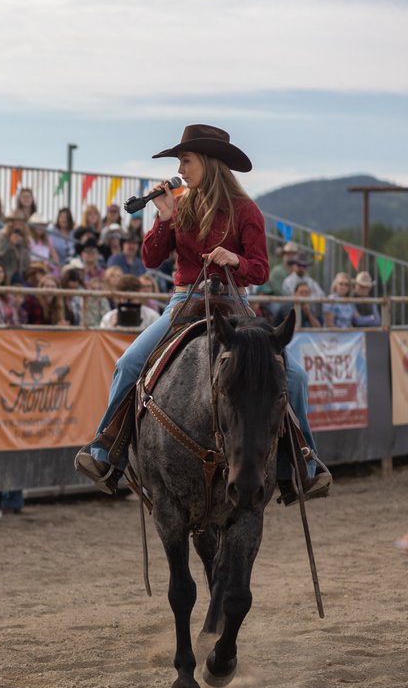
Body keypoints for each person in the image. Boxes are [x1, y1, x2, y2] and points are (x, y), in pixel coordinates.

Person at [74, 124, 331, 500]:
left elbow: (259, 268)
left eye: (186, 160)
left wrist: (234, 259)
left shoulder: (246, 210)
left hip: (235, 301)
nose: (181, 168)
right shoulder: (178, 205)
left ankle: (302, 464)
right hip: (184, 301)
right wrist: (162, 217)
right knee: (128, 364)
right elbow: (150, 258)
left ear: (210, 163)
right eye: (180, 161)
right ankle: (107, 449)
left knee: (294, 378)